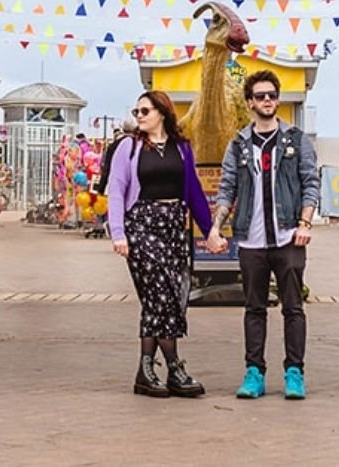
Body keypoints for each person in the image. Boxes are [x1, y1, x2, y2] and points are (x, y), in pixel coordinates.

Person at [207, 69, 320, 401]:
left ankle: (294, 372)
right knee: (254, 308)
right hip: (251, 240)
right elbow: (227, 189)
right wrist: (216, 228)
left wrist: (305, 224)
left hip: (289, 239)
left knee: (293, 308)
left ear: (278, 99)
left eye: (272, 95)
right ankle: (254, 372)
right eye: (260, 96)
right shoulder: (238, 144)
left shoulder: (298, 140)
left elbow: (311, 183)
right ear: (250, 102)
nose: (267, 100)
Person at [105, 90, 214, 398]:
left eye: (145, 111)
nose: (139, 116)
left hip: (174, 227)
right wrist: (118, 234)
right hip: (141, 225)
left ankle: (146, 372)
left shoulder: (181, 148)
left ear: (162, 113)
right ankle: (173, 367)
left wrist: (210, 232)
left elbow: (192, 191)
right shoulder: (128, 147)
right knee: (159, 293)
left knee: (171, 296)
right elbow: (116, 191)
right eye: (136, 111)